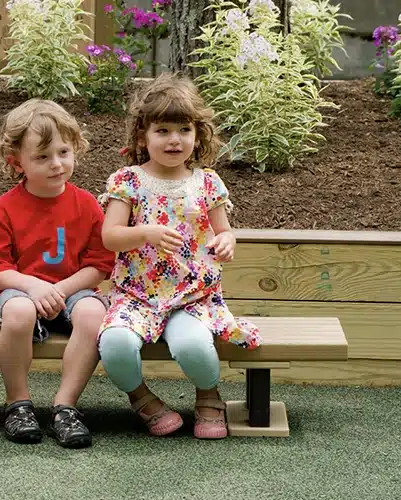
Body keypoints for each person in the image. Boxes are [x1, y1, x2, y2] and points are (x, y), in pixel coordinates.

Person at [98, 73, 261, 440]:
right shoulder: (128, 181)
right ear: (143, 136)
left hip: (193, 297)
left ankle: (209, 395)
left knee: (192, 346)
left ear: (197, 135)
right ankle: (142, 399)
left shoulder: (206, 182)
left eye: (184, 129)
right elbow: (110, 237)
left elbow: (224, 231)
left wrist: (228, 242)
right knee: (115, 344)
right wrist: (146, 233)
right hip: (136, 295)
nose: (174, 139)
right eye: (163, 130)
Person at [0, 99, 115, 448]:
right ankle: (17, 405)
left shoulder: (86, 205)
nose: (56, 164)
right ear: (16, 162)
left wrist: (62, 290)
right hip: (20, 294)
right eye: (42, 157)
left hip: (73, 291)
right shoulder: (5, 209)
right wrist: (34, 287)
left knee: (93, 312)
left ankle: (65, 407)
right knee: (19, 311)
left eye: (63, 152)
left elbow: (99, 265)